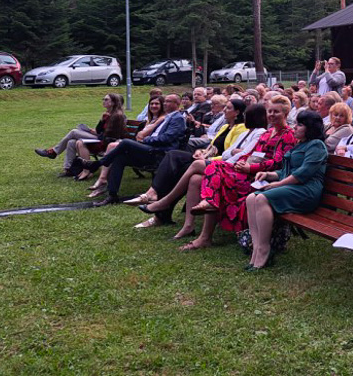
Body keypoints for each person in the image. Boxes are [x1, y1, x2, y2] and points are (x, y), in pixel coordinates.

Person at [171, 95, 296, 251]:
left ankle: (204, 230)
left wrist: (249, 168)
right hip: (247, 171)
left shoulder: (288, 135)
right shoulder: (267, 133)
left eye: (276, 112)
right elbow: (252, 154)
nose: (271, 115)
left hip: (263, 178)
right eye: (269, 111)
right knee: (207, 171)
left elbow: (278, 162)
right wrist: (242, 162)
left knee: (214, 172)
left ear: (285, 114)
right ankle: (204, 227)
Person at [129, 99, 248, 230]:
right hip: (206, 159)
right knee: (173, 158)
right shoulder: (225, 127)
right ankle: (158, 202)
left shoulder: (240, 129)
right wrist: (200, 151)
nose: (224, 110)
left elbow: (229, 154)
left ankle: (160, 206)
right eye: (225, 107)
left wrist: (206, 158)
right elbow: (211, 146)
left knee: (178, 167)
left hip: (216, 164)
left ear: (237, 112)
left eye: (228, 108)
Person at [245, 111, 328, 270]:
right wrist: (268, 175)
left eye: (300, 124)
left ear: (310, 128)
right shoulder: (300, 144)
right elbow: (286, 171)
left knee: (262, 198)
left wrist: (278, 184)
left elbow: (303, 173)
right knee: (250, 198)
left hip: (306, 190)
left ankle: (264, 248)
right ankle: (255, 246)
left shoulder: (316, 145)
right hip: (292, 186)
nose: (295, 127)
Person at [77, 94, 187, 206]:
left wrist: (146, 139)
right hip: (151, 149)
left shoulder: (177, 118)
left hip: (160, 153)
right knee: (119, 158)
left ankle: (98, 163)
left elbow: (167, 138)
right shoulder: (168, 117)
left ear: (177, 104)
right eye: (165, 101)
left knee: (125, 143)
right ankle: (112, 195)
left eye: (168, 101)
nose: (165, 104)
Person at [35, 93, 126, 179]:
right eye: (103, 99)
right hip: (99, 138)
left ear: (113, 102)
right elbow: (99, 131)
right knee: (71, 142)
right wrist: (95, 125)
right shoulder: (107, 115)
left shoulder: (117, 116)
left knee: (74, 132)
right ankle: (68, 169)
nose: (103, 101)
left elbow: (110, 135)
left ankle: (53, 152)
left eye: (106, 99)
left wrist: (95, 131)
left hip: (104, 142)